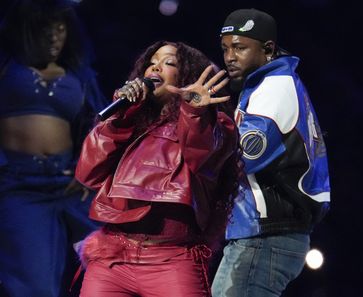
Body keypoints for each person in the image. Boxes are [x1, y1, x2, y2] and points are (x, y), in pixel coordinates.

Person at [74, 40, 240, 297]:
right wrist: (121, 116)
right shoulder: (129, 121)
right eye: (151, 63)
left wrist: (195, 111)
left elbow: (202, 155)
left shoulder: (215, 123)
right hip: (113, 259)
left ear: (188, 75)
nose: (156, 68)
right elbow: (88, 172)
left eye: (169, 63)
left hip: (172, 261)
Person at [211, 8, 331, 297]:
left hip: (266, 234)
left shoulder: (274, 87)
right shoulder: (269, 84)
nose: (229, 57)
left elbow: (240, 158)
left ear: (268, 49)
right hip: (264, 234)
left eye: (239, 48)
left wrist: (197, 121)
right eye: (225, 48)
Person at [0, 0, 107, 296]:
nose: (54, 36)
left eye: (60, 28)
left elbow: (96, 131)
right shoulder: (7, 65)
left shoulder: (79, 75)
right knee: (35, 284)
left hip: (72, 183)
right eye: (45, 28)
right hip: (19, 185)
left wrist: (87, 171)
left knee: (116, 263)